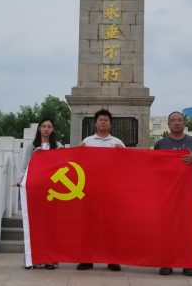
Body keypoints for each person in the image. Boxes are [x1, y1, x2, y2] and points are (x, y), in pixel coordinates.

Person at [153, 111, 192, 277]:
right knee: (166, 228)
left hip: (185, 193)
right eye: (173, 120)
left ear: (184, 123)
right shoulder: (161, 143)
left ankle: (187, 264)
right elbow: (152, 163)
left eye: (179, 120)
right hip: (166, 193)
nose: (176, 122)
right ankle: (166, 263)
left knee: (187, 228)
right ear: (168, 124)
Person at [76, 109, 124, 272]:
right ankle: (86, 259)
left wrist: (123, 152)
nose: (103, 122)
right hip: (90, 189)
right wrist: (77, 151)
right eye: (100, 120)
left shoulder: (117, 142)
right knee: (88, 225)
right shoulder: (87, 141)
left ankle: (113, 260)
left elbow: (126, 164)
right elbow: (77, 163)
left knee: (112, 225)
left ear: (110, 124)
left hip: (111, 190)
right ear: (95, 123)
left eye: (106, 120)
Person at [15, 117, 64, 270]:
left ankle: (50, 259)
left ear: (53, 129)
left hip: (53, 191)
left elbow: (63, 165)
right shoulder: (32, 146)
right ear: (39, 128)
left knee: (50, 226)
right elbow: (25, 166)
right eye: (44, 126)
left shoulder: (58, 146)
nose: (46, 129)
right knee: (34, 225)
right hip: (36, 190)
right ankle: (31, 259)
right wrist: (20, 180)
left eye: (49, 126)